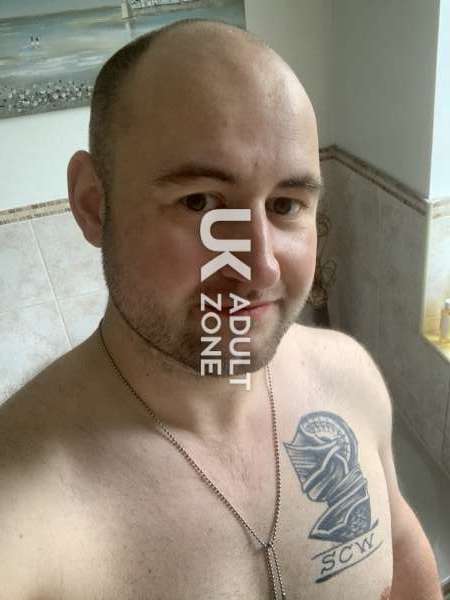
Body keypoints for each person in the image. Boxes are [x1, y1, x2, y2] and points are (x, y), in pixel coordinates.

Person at [0, 18, 443, 600]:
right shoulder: (24, 509)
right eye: (200, 202)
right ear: (92, 204)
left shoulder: (349, 376)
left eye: (286, 205)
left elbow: (402, 547)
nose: (259, 268)